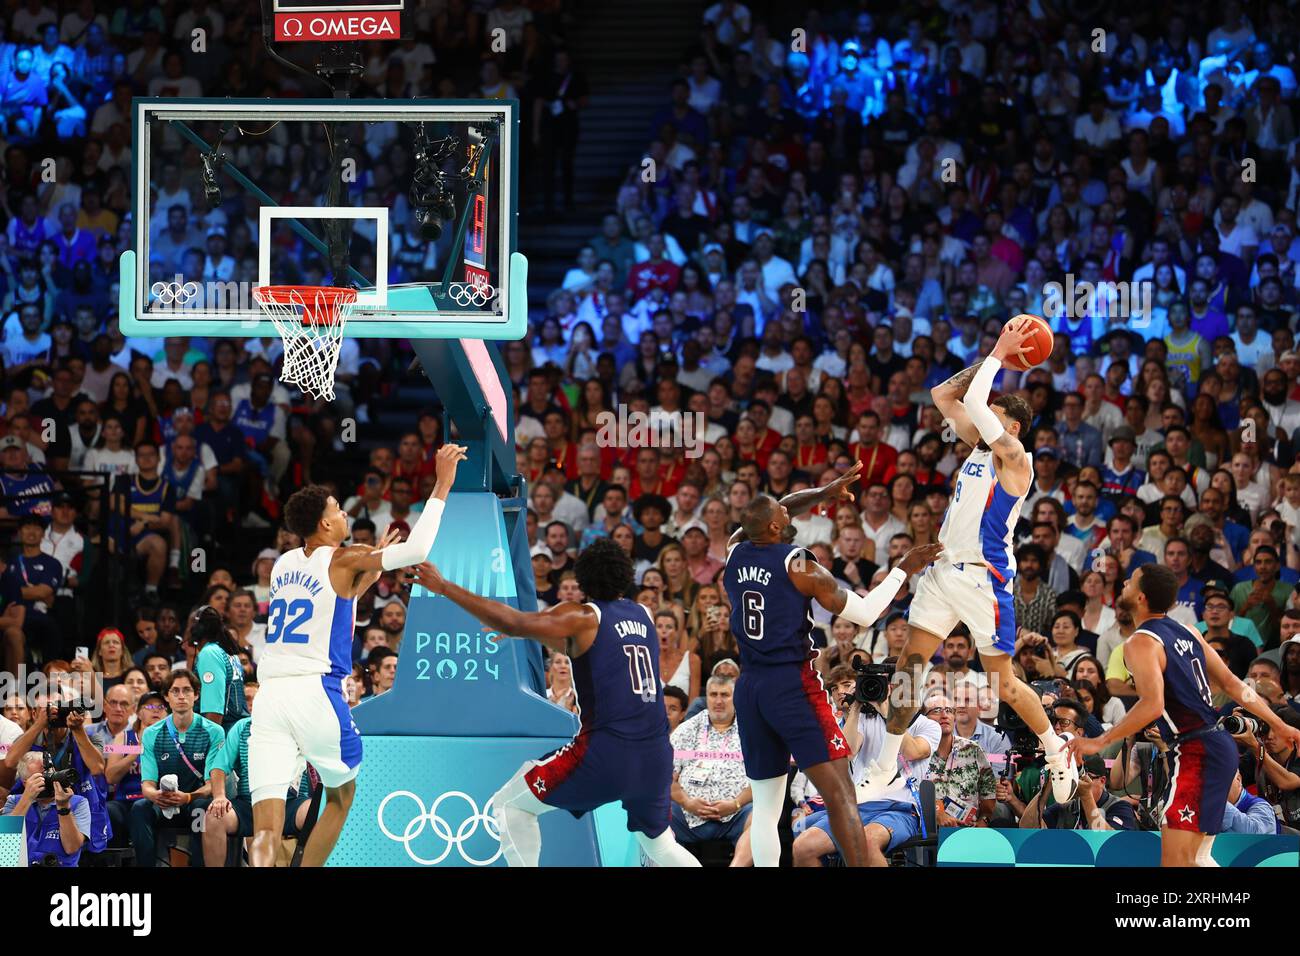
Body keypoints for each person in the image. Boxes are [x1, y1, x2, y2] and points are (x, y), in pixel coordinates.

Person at [869, 320, 1080, 807]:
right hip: (944, 572)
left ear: (1011, 426)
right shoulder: (982, 445)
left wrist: (1002, 357)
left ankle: (1055, 749)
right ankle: (883, 769)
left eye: (989, 413)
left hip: (985, 580)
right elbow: (944, 394)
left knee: (1002, 684)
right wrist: (992, 359)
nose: (976, 416)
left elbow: (978, 405)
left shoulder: (1015, 458)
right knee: (909, 669)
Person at [414, 537, 701, 867]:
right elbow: (594, 651)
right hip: (655, 756)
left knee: (511, 805)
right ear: (625, 574)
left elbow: (515, 621)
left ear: (582, 578)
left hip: (606, 754)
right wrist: (528, 630)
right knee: (660, 844)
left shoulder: (581, 618)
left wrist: (444, 586)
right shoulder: (644, 615)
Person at [246, 444, 467, 868]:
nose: (346, 515)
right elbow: (418, 550)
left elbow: (337, 600)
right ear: (326, 522)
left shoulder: (283, 564)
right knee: (342, 796)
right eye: (338, 510)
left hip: (270, 698)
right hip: (316, 692)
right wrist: (442, 484)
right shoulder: (345, 557)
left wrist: (372, 568)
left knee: (266, 830)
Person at [722, 459, 943, 867]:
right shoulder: (799, 565)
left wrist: (822, 494)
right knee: (842, 795)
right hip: (791, 686)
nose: (788, 508)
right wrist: (902, 569)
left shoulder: (734, 550)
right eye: (781, 510)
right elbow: (866, 614)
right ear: (774, 527)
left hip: (750, 688)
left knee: (767, 811)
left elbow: (780, 505)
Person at [1066, 564, 1300, 866]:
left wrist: (1099, 742)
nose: (1124, 582)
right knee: (1198, 857)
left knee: (1176, 861)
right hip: (1219, 747)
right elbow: (1233, 684)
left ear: (1141, 597)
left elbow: (1152, 704)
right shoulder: (1189, 632)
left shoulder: (1140, 642)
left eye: (1131, 581)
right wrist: (1279, 724)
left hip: (1194, 751)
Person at [792, 672, 941, 866]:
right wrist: (855, 708)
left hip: (901, 808)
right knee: (803, 847)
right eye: (889, 685)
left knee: (867, 842)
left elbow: (913, 752)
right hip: (857, 806)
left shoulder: (927, 725)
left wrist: (889, 712)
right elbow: (846, 753)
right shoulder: (864, 719)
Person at [132, 669, 225, 867]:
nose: (181, 696)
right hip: (164, 804)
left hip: (194, 802)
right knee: (140, 808)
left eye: (187, 690)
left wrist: (189, 797)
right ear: (166, 697)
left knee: (202, 809)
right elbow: (147, 785)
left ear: (196, 695)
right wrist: (156, 796)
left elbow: (212, 785)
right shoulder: (151, 734)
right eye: (175, 691)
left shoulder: (214, 731)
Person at [669, 675, 751, 855]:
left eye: (725, 695)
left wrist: (735, 804)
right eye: (713, 695)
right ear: (706, 697)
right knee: (657, 811)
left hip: (737, 814)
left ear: (735, 698)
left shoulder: (750, 729)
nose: (718, 701)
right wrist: (687, 802)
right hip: (687, 813)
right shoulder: (688, 729)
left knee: (761, 817)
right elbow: (666, 778)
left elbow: (764, 780)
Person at [1, 750, 90, 866]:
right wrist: (27, 798)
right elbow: (6, 853)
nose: (49, 779)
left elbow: (71, 848)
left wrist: (63, 807)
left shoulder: (78, 802)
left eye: (50, 773)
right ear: (25, 783)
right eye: (41, 777)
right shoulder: (14, 802)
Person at [1018, 752, 1137, 830]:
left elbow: (1109, 843)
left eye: (1086, 776)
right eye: (1075, 777)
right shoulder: (1065, 807)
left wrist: (1086, 796)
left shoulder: (1120, 806)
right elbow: (1026, 828)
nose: (1078, 782)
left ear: (1102, 780)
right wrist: (1048, 785)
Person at [192, 604, 248, 730]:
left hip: (225, 736)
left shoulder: (210, 654)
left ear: (198, 630)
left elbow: (214, 712)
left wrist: (212, 746)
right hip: (237, 733)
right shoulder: (228, 653)